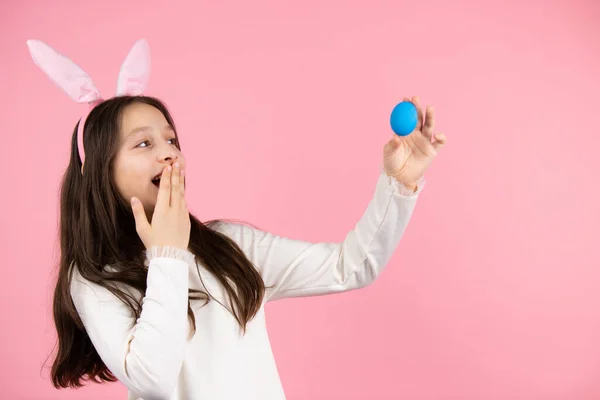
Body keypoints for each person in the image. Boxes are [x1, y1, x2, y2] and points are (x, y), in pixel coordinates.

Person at [28, 39, 446, 400]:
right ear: (101, 170)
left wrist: (398, 185)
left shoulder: (230, 245)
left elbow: (349, 267)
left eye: (171, 139)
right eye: (143, 143)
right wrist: (166, 254)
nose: (169, 152)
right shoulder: (94, 279)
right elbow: (153, 379)